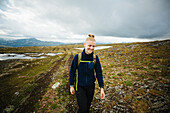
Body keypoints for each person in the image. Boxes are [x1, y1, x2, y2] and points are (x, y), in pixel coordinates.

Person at [69, 34, 105, 113]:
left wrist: (101, 87)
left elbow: (99, 73)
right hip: (80, 87)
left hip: (90, 87)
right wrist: (71, 85)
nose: (91, 48)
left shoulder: (95, 58)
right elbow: (72, 71)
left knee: (87, 107)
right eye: (89, 45)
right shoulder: (77, 57)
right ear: (84, 45)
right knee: (83, 109)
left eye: (93, 46)